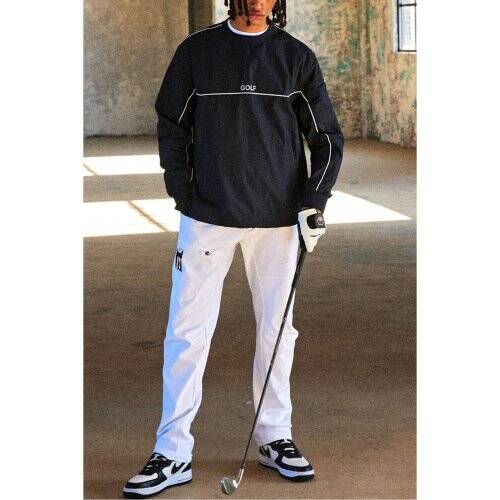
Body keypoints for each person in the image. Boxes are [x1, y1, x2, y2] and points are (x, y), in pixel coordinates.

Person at [123, 0, 343, 497]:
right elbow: (171, 125)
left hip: (279, 219)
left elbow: (326, 136)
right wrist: (183, 192)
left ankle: (274, 436)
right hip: (208, 217)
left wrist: (314, 200)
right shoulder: (197, 52)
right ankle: (173, 451)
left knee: (278, 329)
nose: (258, 1)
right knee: (187, 331)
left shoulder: (295, 57)